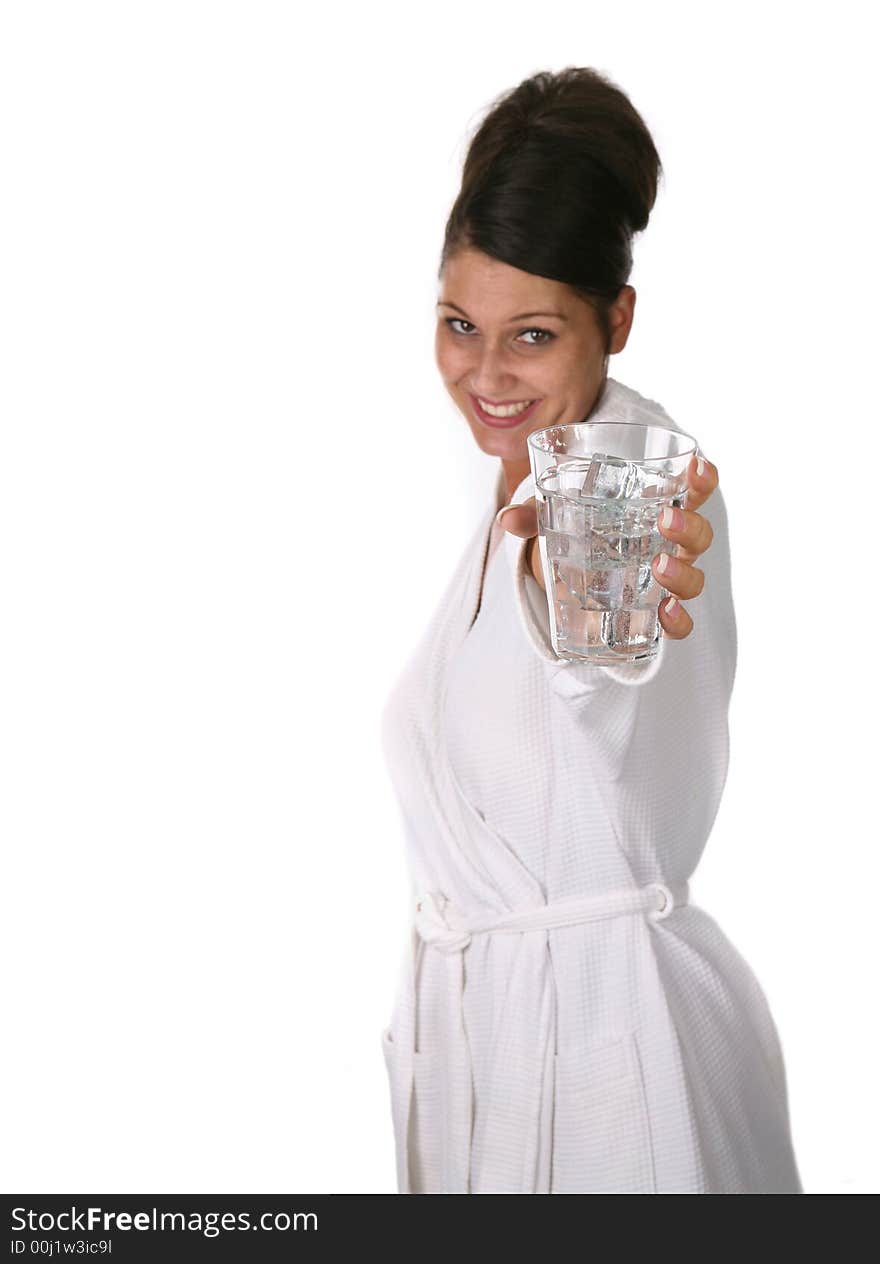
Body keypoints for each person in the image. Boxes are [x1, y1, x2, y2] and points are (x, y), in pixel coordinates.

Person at [379, 66, 803, 1194]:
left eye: (532, 334)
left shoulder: (627, 483)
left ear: (614, 319)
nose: (484, 371)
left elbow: (606, 653)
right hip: (500, 1050)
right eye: (459, 324)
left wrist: (616, 611)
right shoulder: (511, 498)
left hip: (614, 1068)